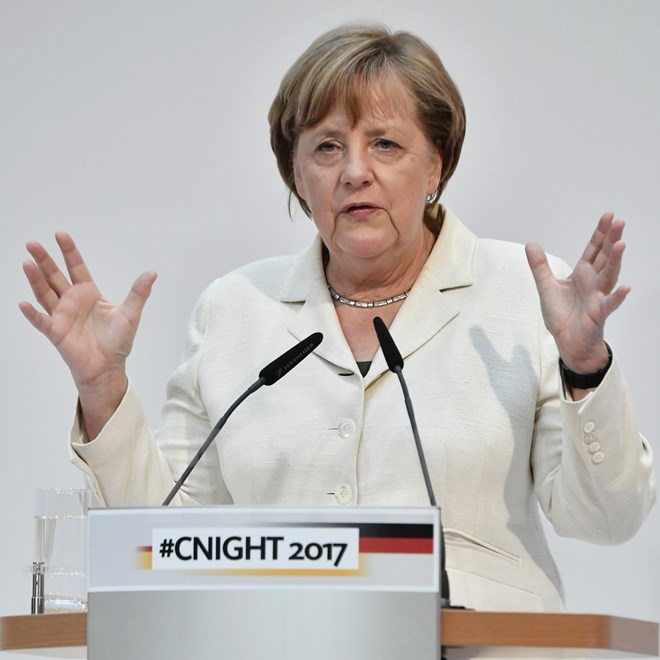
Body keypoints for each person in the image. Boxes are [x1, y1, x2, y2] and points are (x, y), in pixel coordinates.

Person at [20, 24, 654, 612]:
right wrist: (102, 388)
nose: (355, 172)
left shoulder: (519, 290)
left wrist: (585, 369)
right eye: (327, 147)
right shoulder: (235, 309)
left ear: (435, 165)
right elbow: (162, 540)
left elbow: (607, 518)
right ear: (297, 177)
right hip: (275, 633)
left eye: (385, 144)